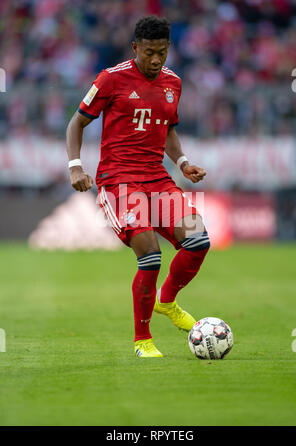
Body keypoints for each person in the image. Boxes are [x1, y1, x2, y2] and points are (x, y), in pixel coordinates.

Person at [66, 16, 210, 358]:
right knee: (150, 253)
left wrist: (183, 162)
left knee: (199, 239)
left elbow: (168, 129)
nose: (156, 59)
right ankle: (143, 341)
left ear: (168, 48)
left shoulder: (173, 82)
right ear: (135, 48)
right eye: (149, 52)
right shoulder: (110, 79)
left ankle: (167, 301)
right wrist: (75, 167)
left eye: (161, 52)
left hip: (157, 179)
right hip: (119, 182)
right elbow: (77, 122)